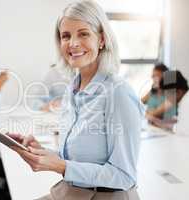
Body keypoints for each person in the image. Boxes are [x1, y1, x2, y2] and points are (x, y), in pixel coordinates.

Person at [8, 1, 144, 200]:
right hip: (71, 191)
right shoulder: (72, 89)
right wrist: (41, 152)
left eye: (83, 33)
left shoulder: (118, 93)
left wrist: (61, 166)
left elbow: (124, 176)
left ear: (102, 39)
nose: (73, 43)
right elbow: (77, 158)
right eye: (66, 36)